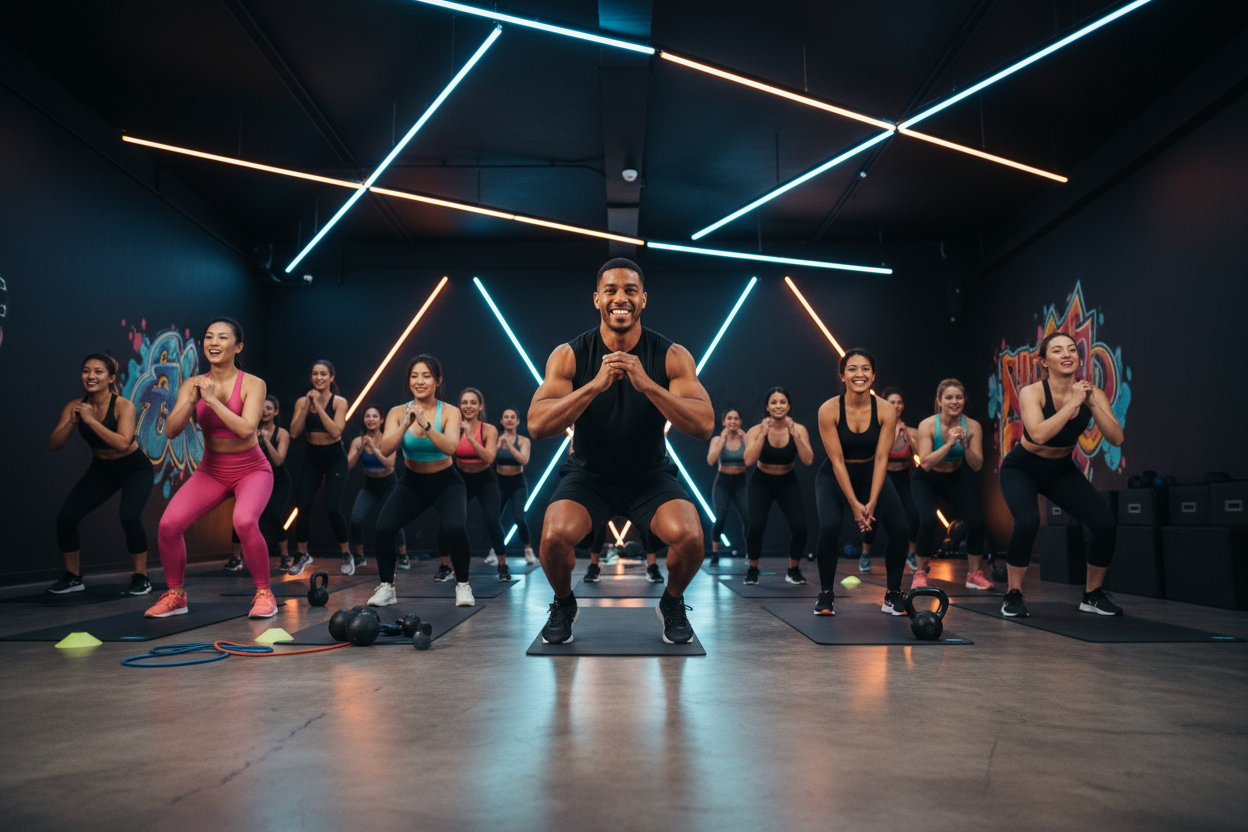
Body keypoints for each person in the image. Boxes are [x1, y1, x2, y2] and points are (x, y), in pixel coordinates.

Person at [528, 258, 714, 644]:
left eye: (630, 290)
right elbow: (536, 424)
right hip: (588, 477)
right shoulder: (570, 355)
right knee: (552, 536)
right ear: (597, 299)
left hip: (649, 478)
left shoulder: (671, 355)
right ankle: (564, 603)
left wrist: (649, 385)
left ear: (643, 300)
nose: (620, 298)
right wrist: (594, 386)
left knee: (692, 536)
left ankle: (672, 603)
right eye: (610, 290)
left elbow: (704, 425)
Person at [146, 318, 276, 619]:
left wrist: (212, 401)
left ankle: (264, 594)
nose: (213, 343)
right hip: (211, 470)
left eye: (222, 337)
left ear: (238, 346)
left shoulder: (253, 383)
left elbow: (246, 429)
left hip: (252, 469)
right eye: (208, 337)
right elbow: (171, 431)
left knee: (244, 521)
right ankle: (176, 596)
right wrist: (190, 401)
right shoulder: (193, 384)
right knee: (168, 525)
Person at [999, 332, 1124, 617]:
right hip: (1023, 467)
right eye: (1057, 351)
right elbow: (1039, 434)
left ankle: (1092, 595)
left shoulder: (1092, 394)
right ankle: (1013, 594)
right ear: (1044, 361)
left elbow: (1116, 438)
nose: (1067, 354)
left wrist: (1092, 404)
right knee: (1028, 521)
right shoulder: (1033, 392)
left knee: (1105, 524)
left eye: (1072, 349)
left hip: (1061, 469)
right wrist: (1074, 402)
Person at [368, 355, 474, 607]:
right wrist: (405, 424)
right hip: (412, 483)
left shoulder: (450, 411)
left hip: (446, 483)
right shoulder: (396, 413)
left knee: (456, 528)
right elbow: (385, 447)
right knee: (383, 529)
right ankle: (387, 587)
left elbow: (450, 448)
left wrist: (426, 425)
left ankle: (463, 585)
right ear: (408, 381)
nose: (420, 381)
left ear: (437, 380)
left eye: (426, 375)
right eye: (414, 376)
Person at [813, 349, 911, 616]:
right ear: (842, 375)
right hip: (834, 474)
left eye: (866, 368)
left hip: (871, 472)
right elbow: (836, 461)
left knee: (901, 528)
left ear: (874, 375)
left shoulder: (886, 409)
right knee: (830, 526)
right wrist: (856, 505)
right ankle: (825, 594)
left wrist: (872, 501)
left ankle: (892, 594)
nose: (859, 374)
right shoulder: (829, 410)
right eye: (852, 369)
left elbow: (881, 458)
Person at [47, 353, 154, 595]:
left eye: (98, 371)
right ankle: (73, 577)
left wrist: (90, 420)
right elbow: (54, 444)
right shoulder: (75, 405)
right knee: (66, 517)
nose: (91, 376)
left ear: (110, 378)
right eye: (86, 371)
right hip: (102, 469)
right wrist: (71, 422)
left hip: (134, 467)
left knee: (129, 516)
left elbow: (123, 443)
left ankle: (141, 577)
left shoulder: (123, 406)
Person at [912, 379, 990, 589]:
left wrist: (965, 446)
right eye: (949, 398)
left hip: (954, 477)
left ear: (964, 400)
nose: (954, 402)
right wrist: (948, 444)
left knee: (976, 521)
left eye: (959, 397)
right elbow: (926, 463)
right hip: (926, 479)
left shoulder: (972, 426)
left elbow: (976, 465)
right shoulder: (928, 425)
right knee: (928, 520)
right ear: (939, 401)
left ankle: (974, 574)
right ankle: (920, 573)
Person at [436, 388, 511, 581]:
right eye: (464, 402)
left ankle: (502, 565)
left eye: (473, 402)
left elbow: (489, 458)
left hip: (485, 479)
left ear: (480, 406)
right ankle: (445, 566)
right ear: (459, 406)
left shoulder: (488, 430)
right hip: (460, 479)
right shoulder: (452, 428)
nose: (468, 406)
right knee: (447, 523)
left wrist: (470, 438)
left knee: (493, 521)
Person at [742, 389, 815, 586]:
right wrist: (763, 434)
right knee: (755, 526)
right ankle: (753, 569)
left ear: (788, 406)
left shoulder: (799, 429)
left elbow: (808, 460)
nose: (778, 406)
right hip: (761, 482)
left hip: (787, 481)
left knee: (800, 527)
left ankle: (793, 570)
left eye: (783, 402)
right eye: (774, 402)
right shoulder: (756, 430)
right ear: (767, 407)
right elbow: (748, 460)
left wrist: (795, 435)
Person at [288, 360, 351, 576]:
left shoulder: (339, 402)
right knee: (302, 506)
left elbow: (336, 432)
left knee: (332, 507)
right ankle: (302, 554)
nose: (319, 378)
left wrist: (319, 408)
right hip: (312, 457)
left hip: (334, 457)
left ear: (331, 377)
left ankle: (346, 553)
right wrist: (307, 407)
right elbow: (295, 433)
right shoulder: (302, 402)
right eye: (315, 374)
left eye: (323, 374)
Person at [225, 394, 292, 572]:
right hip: (255, 479)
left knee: (275, 515)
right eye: (262, 407)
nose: (265, 411)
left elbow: (278, 461)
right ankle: (236, 558)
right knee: (241, 515)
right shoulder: (250, 429)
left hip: (278, 481)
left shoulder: (282, 433)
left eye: (269, 408)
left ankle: (285, 556)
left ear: (275, 411)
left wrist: (266, 440)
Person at [860, 388, 919, 573]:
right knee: (874, 519)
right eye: (892, 402)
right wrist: (893, 436)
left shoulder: (910, 431)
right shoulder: (877, 429)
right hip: (883, 478)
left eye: (899, 402)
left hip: (902, 478)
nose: (897, 406)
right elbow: (879, 455)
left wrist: (909, 437)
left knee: (915, 515)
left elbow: (922, 456)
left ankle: (911, 554)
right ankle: (865, 555)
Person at [346, 405, 409, 572]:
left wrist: (374, 449)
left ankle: (403, 555)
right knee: (355, 520)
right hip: (370, 486)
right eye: (367, 416)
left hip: (389, 484)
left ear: (381, 420)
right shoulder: (358, 441)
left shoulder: (388, 439)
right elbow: (348, 465)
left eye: (375, 416)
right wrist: (360, 449)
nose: (371, 419)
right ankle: (359, 556)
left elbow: (390, 465)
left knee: (394, 520)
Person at [495, 407, 538, 565]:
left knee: (519, 518)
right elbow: (488, 458)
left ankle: (528, 549)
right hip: (500, 482)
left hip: (517, 483)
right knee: (494, 519)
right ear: (501, 421)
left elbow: (524, 460)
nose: (509, 419)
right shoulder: (496, 438)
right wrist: (498, 445)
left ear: (518, 421)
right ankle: (495, 550)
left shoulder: (523, 440)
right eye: (506, 417)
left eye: (513, 417)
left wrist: (510, 446)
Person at [706, 407, 749, 566]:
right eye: (729, 418)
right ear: (724, 422)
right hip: (722, 483)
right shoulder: (717, 440)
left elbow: (752, 459)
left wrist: (745, 439)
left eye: (736, 419)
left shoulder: (746, 438)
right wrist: (722, 440)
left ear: (740, 422)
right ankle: (715, 553)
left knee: (747, 518)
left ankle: (750, 552)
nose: (733, 421)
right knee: (720, 518)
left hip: (741, 482)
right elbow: (711, 461)